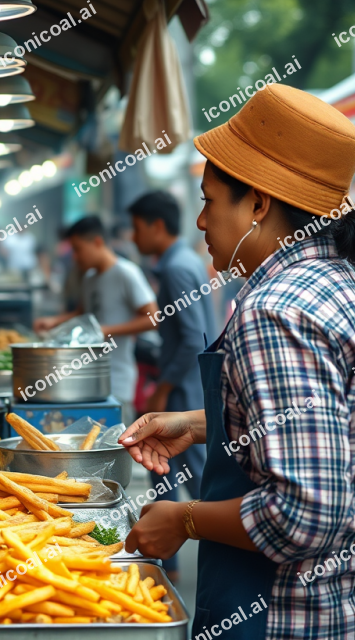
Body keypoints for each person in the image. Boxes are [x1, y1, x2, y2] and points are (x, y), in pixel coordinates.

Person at [120, 84, 355, 639]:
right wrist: (202, 426)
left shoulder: (275, 310)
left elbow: (305, 512)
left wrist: (184, 519)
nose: (200, 223)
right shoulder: (340, 285)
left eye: (208, 201)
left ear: (259, 204)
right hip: (350, 611)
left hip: (287, 618)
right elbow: (328, 429)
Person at [128, 190, 213, 582]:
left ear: (156, 226)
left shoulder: (177, 267)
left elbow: (194, 338)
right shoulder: (182, 261)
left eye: (136, 227)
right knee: (164, 470)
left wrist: (163, 388)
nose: (132, 236)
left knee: (197, 477)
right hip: (181, 384)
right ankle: (167, 562)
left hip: (182, 389)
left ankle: (218, 549)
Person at [34, 216, 158, 424]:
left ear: (98, 242)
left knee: (119, 447)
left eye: (78, 249)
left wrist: (106, 330)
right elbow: (83, 314)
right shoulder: (89, 278)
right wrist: (54, 321)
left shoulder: (126, 273)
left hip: (117, 381)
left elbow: (153, 318)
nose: (74, 256)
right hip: (87, 380)